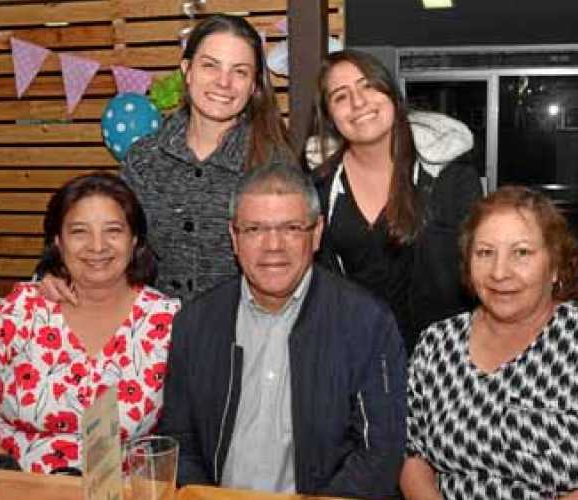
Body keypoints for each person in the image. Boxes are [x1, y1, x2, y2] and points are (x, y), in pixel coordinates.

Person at [159, 163, 407, 499]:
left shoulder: (367, 322)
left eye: (291, 228)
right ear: (234, 238)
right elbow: (179, 442)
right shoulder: (196, 323)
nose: (273, 245)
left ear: (316, 233)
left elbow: (380, 452)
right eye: (255, 229)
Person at [401, 186, 578, 499]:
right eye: (485, 253)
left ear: (555, 266)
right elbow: (411, 452)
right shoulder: (437, 345)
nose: (500, 272)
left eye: (522, 253)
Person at [40, 14, 293, 304]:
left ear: (254, 85)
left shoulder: (275, 164)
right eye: (210, 66)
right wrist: (56, 270)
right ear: (187, 70)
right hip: (155, 335)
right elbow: (103, 232)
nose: (224, 82)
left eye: (240, 71)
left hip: (243, 334)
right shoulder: (144, 158)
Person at [0, 173, 181, 473]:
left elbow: (189, 429)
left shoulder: (167, 322)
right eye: (79, 232)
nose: (97, 246)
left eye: (113, 231)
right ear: (58, 241)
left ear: (134, 240)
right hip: (14, 486)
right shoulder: (22, 310)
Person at [309, 49, 483, 355]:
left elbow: (480, 277)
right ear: (330, 118)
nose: (358, 102)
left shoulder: (451, 179)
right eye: (340, 96)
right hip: (358, 357)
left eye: (368, 86)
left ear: (391, 93)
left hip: (443, 359)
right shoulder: (320, 187)